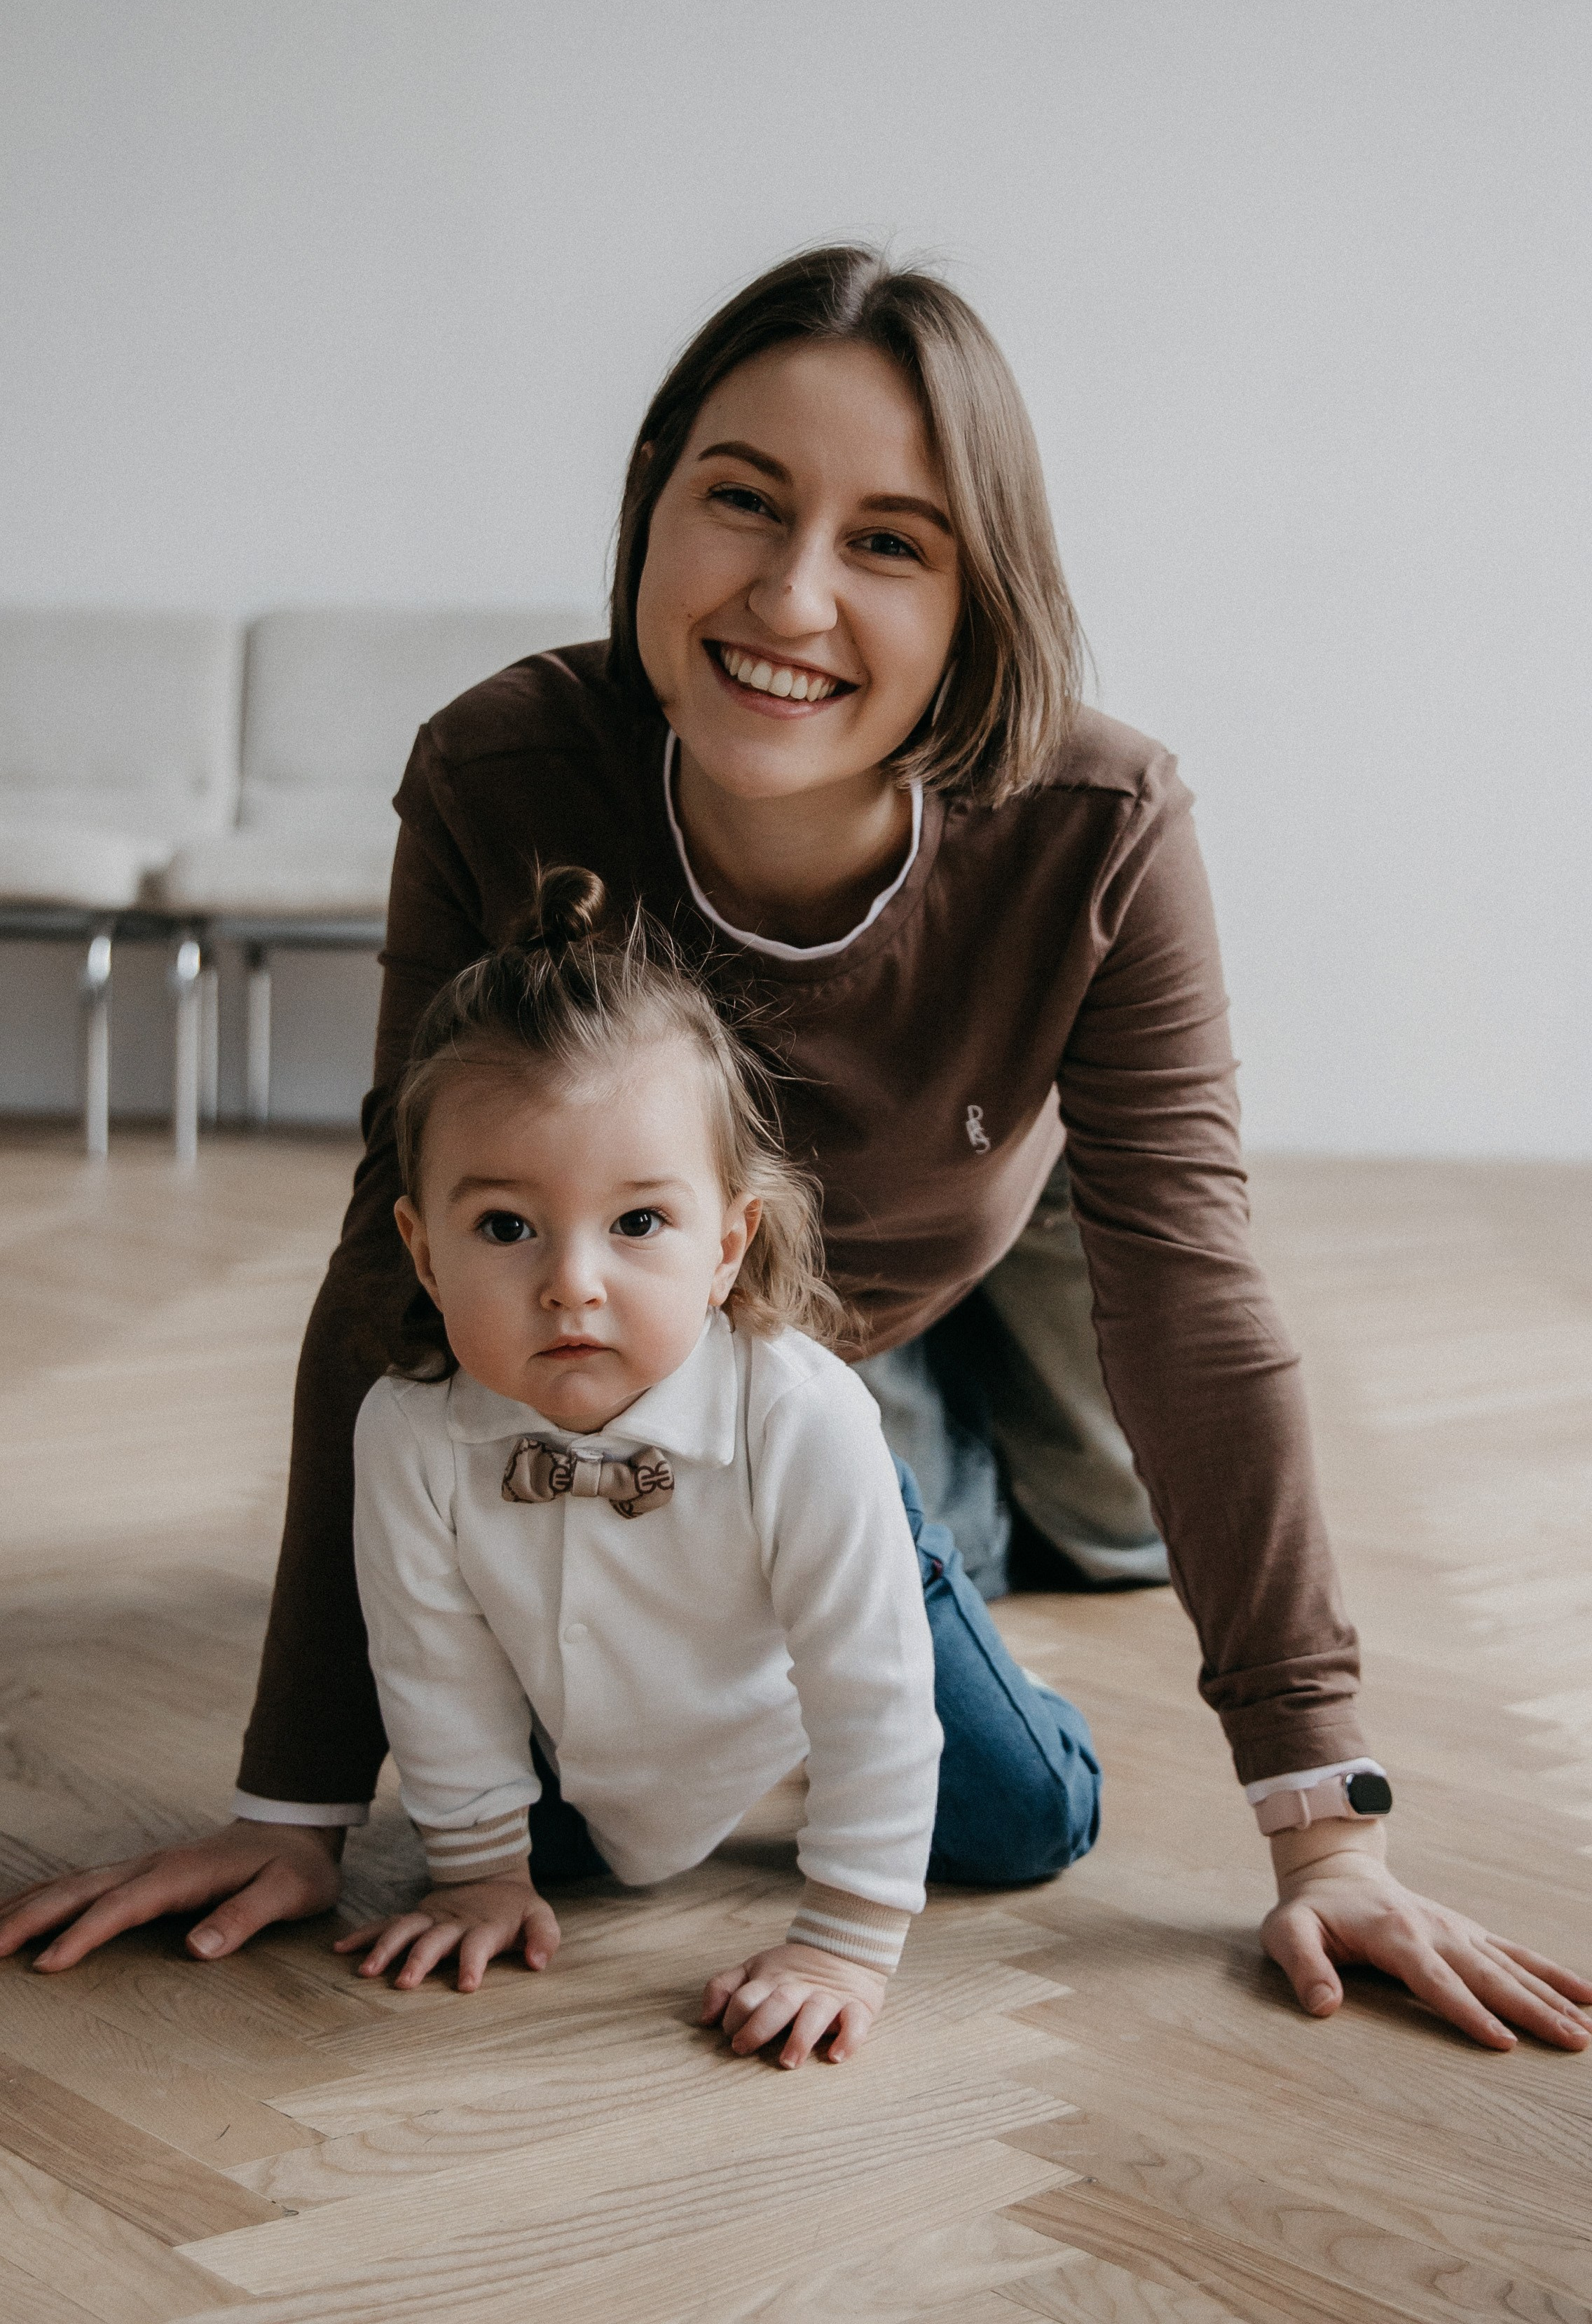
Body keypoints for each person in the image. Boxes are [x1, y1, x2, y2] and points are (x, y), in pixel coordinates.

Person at [3, 247, 1586, 2056]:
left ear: (982, 591)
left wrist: (1329, 1836)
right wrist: (293, 1807)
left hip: (1018, 1212)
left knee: (1111, 1521)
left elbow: (1198, 1301)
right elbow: (400, 1243)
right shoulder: (501, 769)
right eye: (742, 503)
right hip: (742, 1303)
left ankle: (988, 1398)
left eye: (892, 542)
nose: (792, 595)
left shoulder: (1102, 821)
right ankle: (912, 1419)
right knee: (805, 1460)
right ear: (654, 497)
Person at [330, 865, 1097, 2065]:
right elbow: (431, 1663)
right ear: (424, 1254)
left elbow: (869, 1690)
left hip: (831, 1560)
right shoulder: (407, 1433)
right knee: (583, 1860)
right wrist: (480, 1870)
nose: (571, 1281)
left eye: (639, 1224)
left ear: (729, 1244)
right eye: (504, 1228)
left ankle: (954, 1547)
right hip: (616, 1691)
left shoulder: (804, 1417)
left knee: (1025, 1825)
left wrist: (843, 1938)